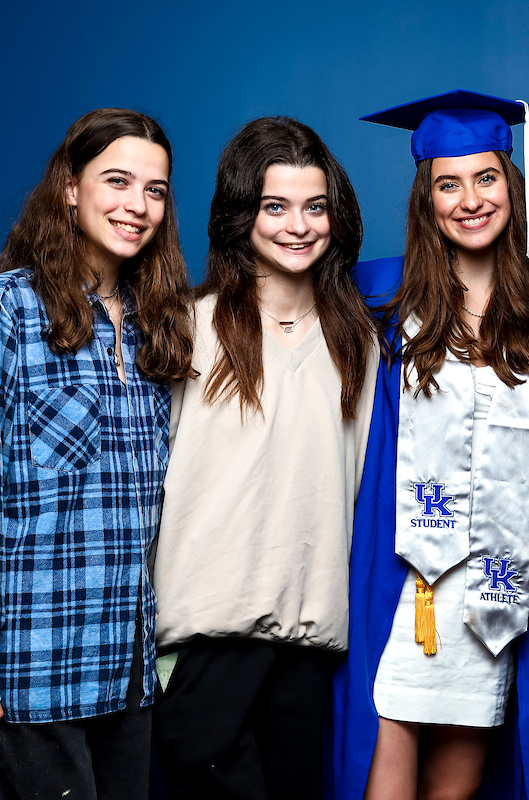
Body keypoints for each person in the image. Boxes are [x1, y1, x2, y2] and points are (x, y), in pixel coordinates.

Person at [331, 90, 529, 800]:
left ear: (512, 185)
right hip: (402, 585)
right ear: (427, 199)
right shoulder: (377, 296)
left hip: (495, 597)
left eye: (486, 178)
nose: (470, 199)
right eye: (449, 184)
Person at [0, 108, 193, 799]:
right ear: (70, 188)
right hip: (32, 678)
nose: (137, 206)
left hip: (126, 680)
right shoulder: (5, 312)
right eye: (118, 181)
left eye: (155, 190)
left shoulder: (154, 325)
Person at [149, 117, 377, 800]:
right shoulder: (184, 329)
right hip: (204, 634)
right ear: (240, 213)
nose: (297, 225)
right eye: (275, 206)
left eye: (315, 207)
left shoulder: (361, 343)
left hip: (309, 640)